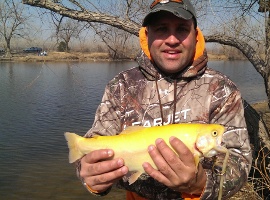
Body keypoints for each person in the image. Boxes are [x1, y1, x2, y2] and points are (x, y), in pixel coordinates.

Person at [74, 0, 252, 199]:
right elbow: (91, 146)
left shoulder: (222, 89)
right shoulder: (121, 86)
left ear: (196, 35)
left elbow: (240, 162)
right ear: (147, 36)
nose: (172, 39)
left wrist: (200, 184)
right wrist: (91, 177)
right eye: (162, 29)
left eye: (182, 29)